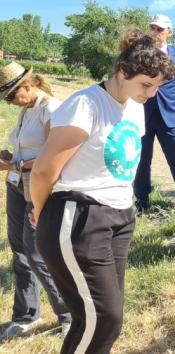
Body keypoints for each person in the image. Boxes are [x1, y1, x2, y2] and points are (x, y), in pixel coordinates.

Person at [31, 29, 175, 354]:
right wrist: (43, 213)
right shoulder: (86, 104)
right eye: (146, 84)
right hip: (78, 217)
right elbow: (43, 171)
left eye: (157, 87)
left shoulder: (135, 107)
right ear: (123, 72)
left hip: (119, 217)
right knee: (105, 318)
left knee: (98, 318)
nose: (151, 94)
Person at [0, 63, 70, 341]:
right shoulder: (27, 109)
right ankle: (27, 313)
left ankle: (69, 316)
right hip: (17, 185)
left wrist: (14, 165)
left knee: (37, 253)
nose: (8, 102)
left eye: (10, 96)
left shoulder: (51, 109)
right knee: (19, 250)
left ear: (27, 86)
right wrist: (10, 156)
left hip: (38, 187)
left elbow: (56, 157)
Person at [133, 14, 175, 212]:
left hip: (169, 117)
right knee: (142, 161)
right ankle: (142, 203)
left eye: (160, 29)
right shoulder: (140, 53)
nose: (155, 32)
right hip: (142, 115)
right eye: (153, 28)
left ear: (169, 32)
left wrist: (168, 101)